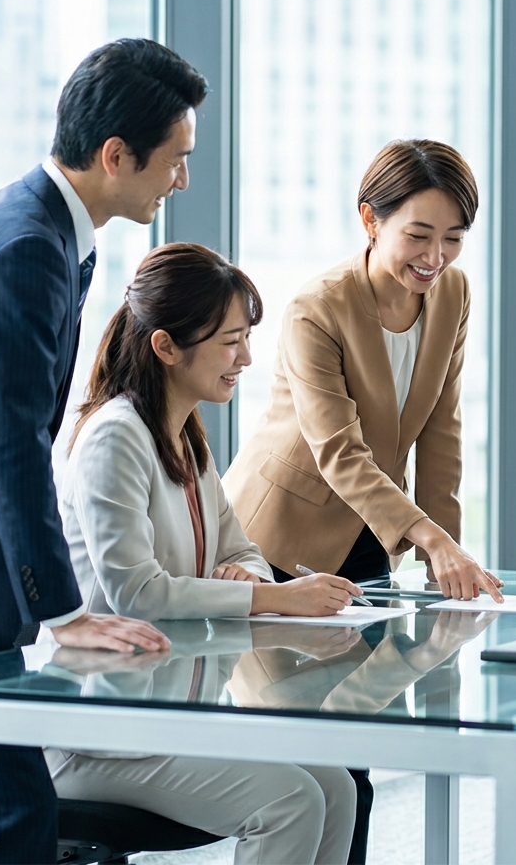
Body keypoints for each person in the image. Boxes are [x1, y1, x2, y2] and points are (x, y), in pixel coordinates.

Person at [223, 138, 502, 862]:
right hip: (276, 539)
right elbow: (338, 450)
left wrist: (451, 566)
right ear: (370, 220)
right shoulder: (318, 307)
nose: (434, 257)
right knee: (302, 759)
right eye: (418, 235)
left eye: (453, 239)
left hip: (366, 546)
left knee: (355, 751)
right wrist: (431, 541)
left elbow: (442, 430)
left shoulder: (454, 295)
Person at [50, 243, 358, 865]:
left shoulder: (184, 436)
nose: (245, 357)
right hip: (100, 735)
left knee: (335, 785)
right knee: (291, 801)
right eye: (230, 341)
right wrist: (275, 596)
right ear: (167, 346)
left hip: (169, 717)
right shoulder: (115, 436)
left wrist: (241, 574)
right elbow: (138, 591)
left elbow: (240, 546)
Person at [0, 39, 206, 863]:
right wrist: (63, 610)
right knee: (16, 820)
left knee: (18, 814)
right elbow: (8, 441)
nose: (181, 179)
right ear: (116, 156)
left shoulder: (47, 229)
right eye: (175, 160)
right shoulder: (27, 248)